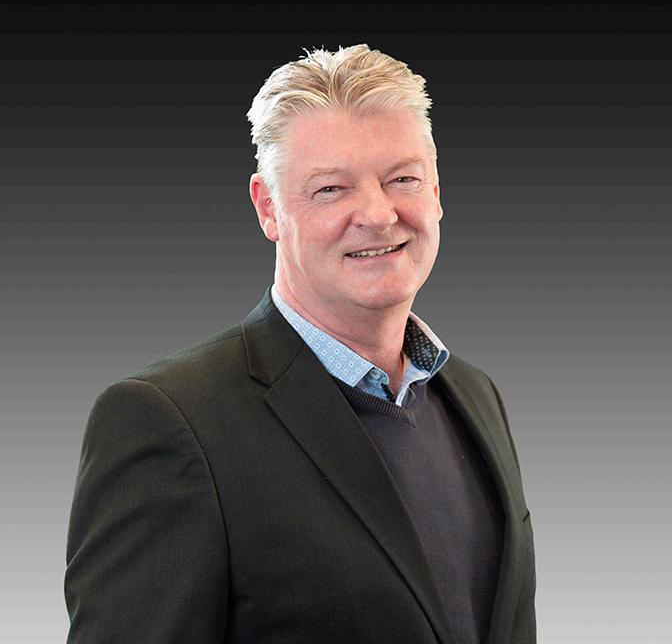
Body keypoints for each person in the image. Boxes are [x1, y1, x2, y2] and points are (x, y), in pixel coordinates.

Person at [64, 43, 536, 644]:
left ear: (437, 193)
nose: (378, 214)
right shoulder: (168, 423)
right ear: (268, 208)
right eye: (331, 189)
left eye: (403, 178)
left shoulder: (475, 395)